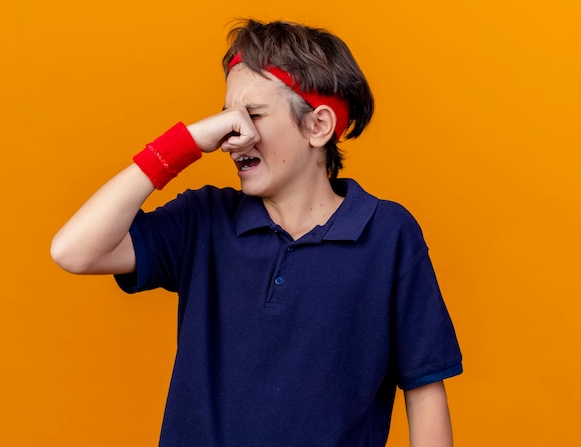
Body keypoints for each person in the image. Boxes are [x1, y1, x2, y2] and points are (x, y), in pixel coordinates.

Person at [51, 19, 462, 447]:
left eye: (253, 115)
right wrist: (185, 143)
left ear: (317, 126)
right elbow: (73, 251)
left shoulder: (388, 235)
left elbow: (424, 388)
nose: (233, 136)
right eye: (227, 117)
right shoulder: (204, 219)